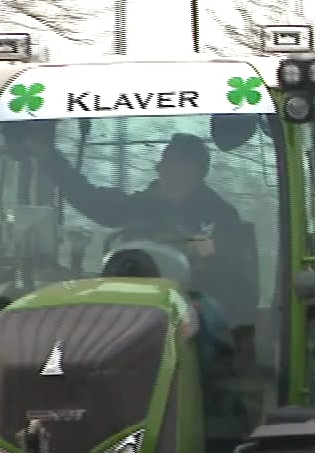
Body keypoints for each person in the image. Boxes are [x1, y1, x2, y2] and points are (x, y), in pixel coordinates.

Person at [31, 130, 259, 322]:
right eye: (161, 162)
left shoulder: (221, 215)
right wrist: (49, 157)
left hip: (194, 310)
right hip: (132, 306)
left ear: (192, 169)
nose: (159, 168)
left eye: (167, 162)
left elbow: (227, 265)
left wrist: (183, 242)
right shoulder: (141, 205)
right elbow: (92, 201)